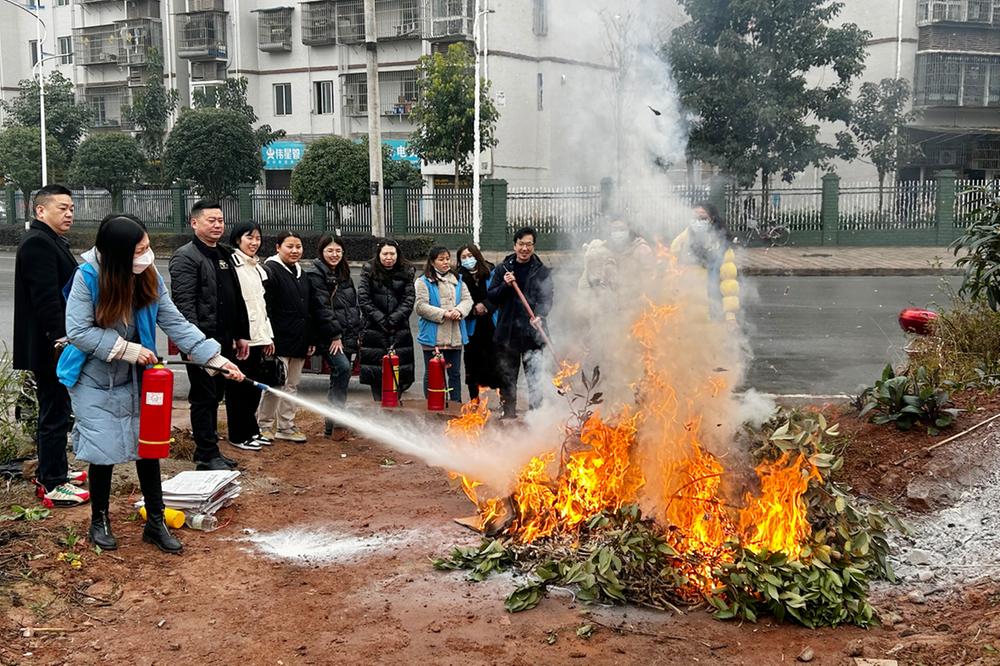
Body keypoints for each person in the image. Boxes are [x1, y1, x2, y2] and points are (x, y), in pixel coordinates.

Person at [57, 214, 244, 553]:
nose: (148, 255)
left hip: (140, 378)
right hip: (94, 379)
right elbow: (78, 332)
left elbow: (175, 322)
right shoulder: (87, 278)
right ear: (116, 255)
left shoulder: (149, 277)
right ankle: (98, 520)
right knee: (102, 450)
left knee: (149, 446)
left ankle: (155, 522)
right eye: (140, 250)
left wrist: (214, 358)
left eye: (147, 247)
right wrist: (126, 349)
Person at [13, 184, 90, 506]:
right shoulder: (38, 244)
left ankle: (54, 468)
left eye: (71, 207)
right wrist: (63, 339)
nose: (69, 213)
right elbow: (46, 300)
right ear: (40, 210)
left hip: (55, 344)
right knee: (54, 412)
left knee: (58, 409)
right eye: (62, 207)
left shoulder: (50, 241)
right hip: (51, 346)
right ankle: (53, 483)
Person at [169, 200, 251, 471]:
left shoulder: (225, 254)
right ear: (194, 223)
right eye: (211, 220)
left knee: (216, 395)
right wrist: (194, 345)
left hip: (224, 339)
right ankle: (206, 454)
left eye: (220, 220)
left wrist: (241, 334)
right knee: (204, 397)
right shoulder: (186, 256)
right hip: (201, 343)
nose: (218, 225)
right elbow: (184, 305)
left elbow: (236, 297)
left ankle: (212, 449)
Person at [258, 231, 335, 442]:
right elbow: (266, 308)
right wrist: (268, 338)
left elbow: (309, 309)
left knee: (292, 385)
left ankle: (286, 426)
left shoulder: (302, 273)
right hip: (278, 341)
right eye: (289, 246)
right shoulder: (270, 270)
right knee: (275, 385)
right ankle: (265, 425)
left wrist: (310, 339)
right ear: (278, 247)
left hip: (299, 339)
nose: (294, 251)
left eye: (298, 247)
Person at [487, 227, 554, 418]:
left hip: (533, 333)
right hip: (508, 334)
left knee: (535, 378)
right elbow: (492, 297)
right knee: (507, 378)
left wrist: (540, 314)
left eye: (529, 244)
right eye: (521, 244)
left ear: (534, 246)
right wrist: (505, 285)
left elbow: (547, 298)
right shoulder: (503, 269)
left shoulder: (542, 271)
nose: (525, 248)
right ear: (515, 245)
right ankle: (508, 414)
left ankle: (537, 416)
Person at [305, 235, 361, 440]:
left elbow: (352, 306)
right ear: (321, 252)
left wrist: (356, 333)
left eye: (338, 251)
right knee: (342, 368)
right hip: (328, 335)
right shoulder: (315, 274)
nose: (334, 254)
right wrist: (334, 336)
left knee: (339, 377)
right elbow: (322, 309)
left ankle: (332, 426)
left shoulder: (343, 272)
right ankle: (337, 420)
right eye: (330, 251)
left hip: (346, 334)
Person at [227, 221, 275, 451]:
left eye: (257, 238)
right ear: (238, 239)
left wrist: (268, 337)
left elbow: (262, 305)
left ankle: (252, 431)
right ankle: (238, 435)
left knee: (255, 388)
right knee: (239, 390)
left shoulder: (257, 267)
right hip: (242, 340)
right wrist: (239, 335)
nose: (254, 243)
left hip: (258, 337)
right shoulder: (232, 264)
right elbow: (237, 305)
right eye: (249, 237)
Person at [358, 239, 415, 402]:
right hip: (374, 329)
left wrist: (394, 319)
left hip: (400, 329)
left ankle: (395, 410)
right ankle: (378, 413)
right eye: (385, 254)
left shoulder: (407, 271)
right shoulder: (368, 270)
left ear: (397, 255)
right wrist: (381, 319)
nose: (388, 257)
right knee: (376, 374)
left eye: (392, 254)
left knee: (399, 373)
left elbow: (409, 299)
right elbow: (363, 298)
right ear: (379, 255)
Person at [415, 246, 473, 404]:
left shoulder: (458, 279)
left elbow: (468, 300)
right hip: (433, 336)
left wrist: (459, 311)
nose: (445, 262)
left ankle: (456, 404)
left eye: (447, 258)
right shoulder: (423, 281)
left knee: (454, 373)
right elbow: (420, 306)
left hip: (455, 335)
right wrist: (444, 313)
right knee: (433, 373)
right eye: (441, 259)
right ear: (433, 262)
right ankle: (433, 403)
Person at [670, 201, 741, 322]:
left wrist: (730, 317)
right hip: (688, 315)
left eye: (702, 217)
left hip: (715, 313)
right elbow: (672, 278)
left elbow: (729, 286)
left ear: (712, 219)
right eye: (695, 217)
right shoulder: (682, 243)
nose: (698, 221)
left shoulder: (722, 247)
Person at [456, 244, 498, 402]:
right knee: (472, 364)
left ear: (477, 256)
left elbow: (498, 294)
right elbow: (457, 299)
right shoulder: (458, 276)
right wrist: (471, 310)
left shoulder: (490, 271)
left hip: (490, 324)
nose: (468, 260)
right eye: (464, 257)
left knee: (495, 363)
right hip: (471, 327)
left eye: (470, 256)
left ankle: (502, 400)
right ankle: (474, 400)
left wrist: (486, 306)